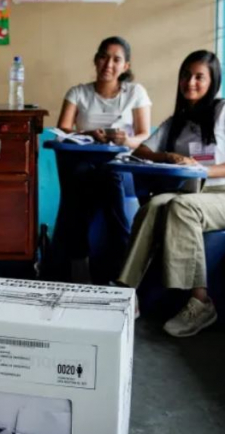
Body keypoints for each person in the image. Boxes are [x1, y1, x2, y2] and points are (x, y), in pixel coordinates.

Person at [116, 50, 225, 338]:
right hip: (191, 195)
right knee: (155, 204)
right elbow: (140, 150)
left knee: (181, 208)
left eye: (199, 77)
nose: (190, 82)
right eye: (186, 75)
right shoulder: (177, 121)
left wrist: (204, 171)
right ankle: (127, 294)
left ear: (212, 80)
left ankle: (200, 302)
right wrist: (168, 156)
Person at [47, 36, 152, 282]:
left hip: (121, 164)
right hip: (82, 164)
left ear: (126, 66)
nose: (109, 64)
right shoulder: (78, 92)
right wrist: (88, 133)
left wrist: (124, 141)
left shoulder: (135, 93)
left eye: (117, 59)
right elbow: (63, 129)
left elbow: (144, 134)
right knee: (80, 178)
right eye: (104, 57)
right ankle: (79, 264)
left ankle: (121, 270)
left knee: (112, 176)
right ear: (95, 60)